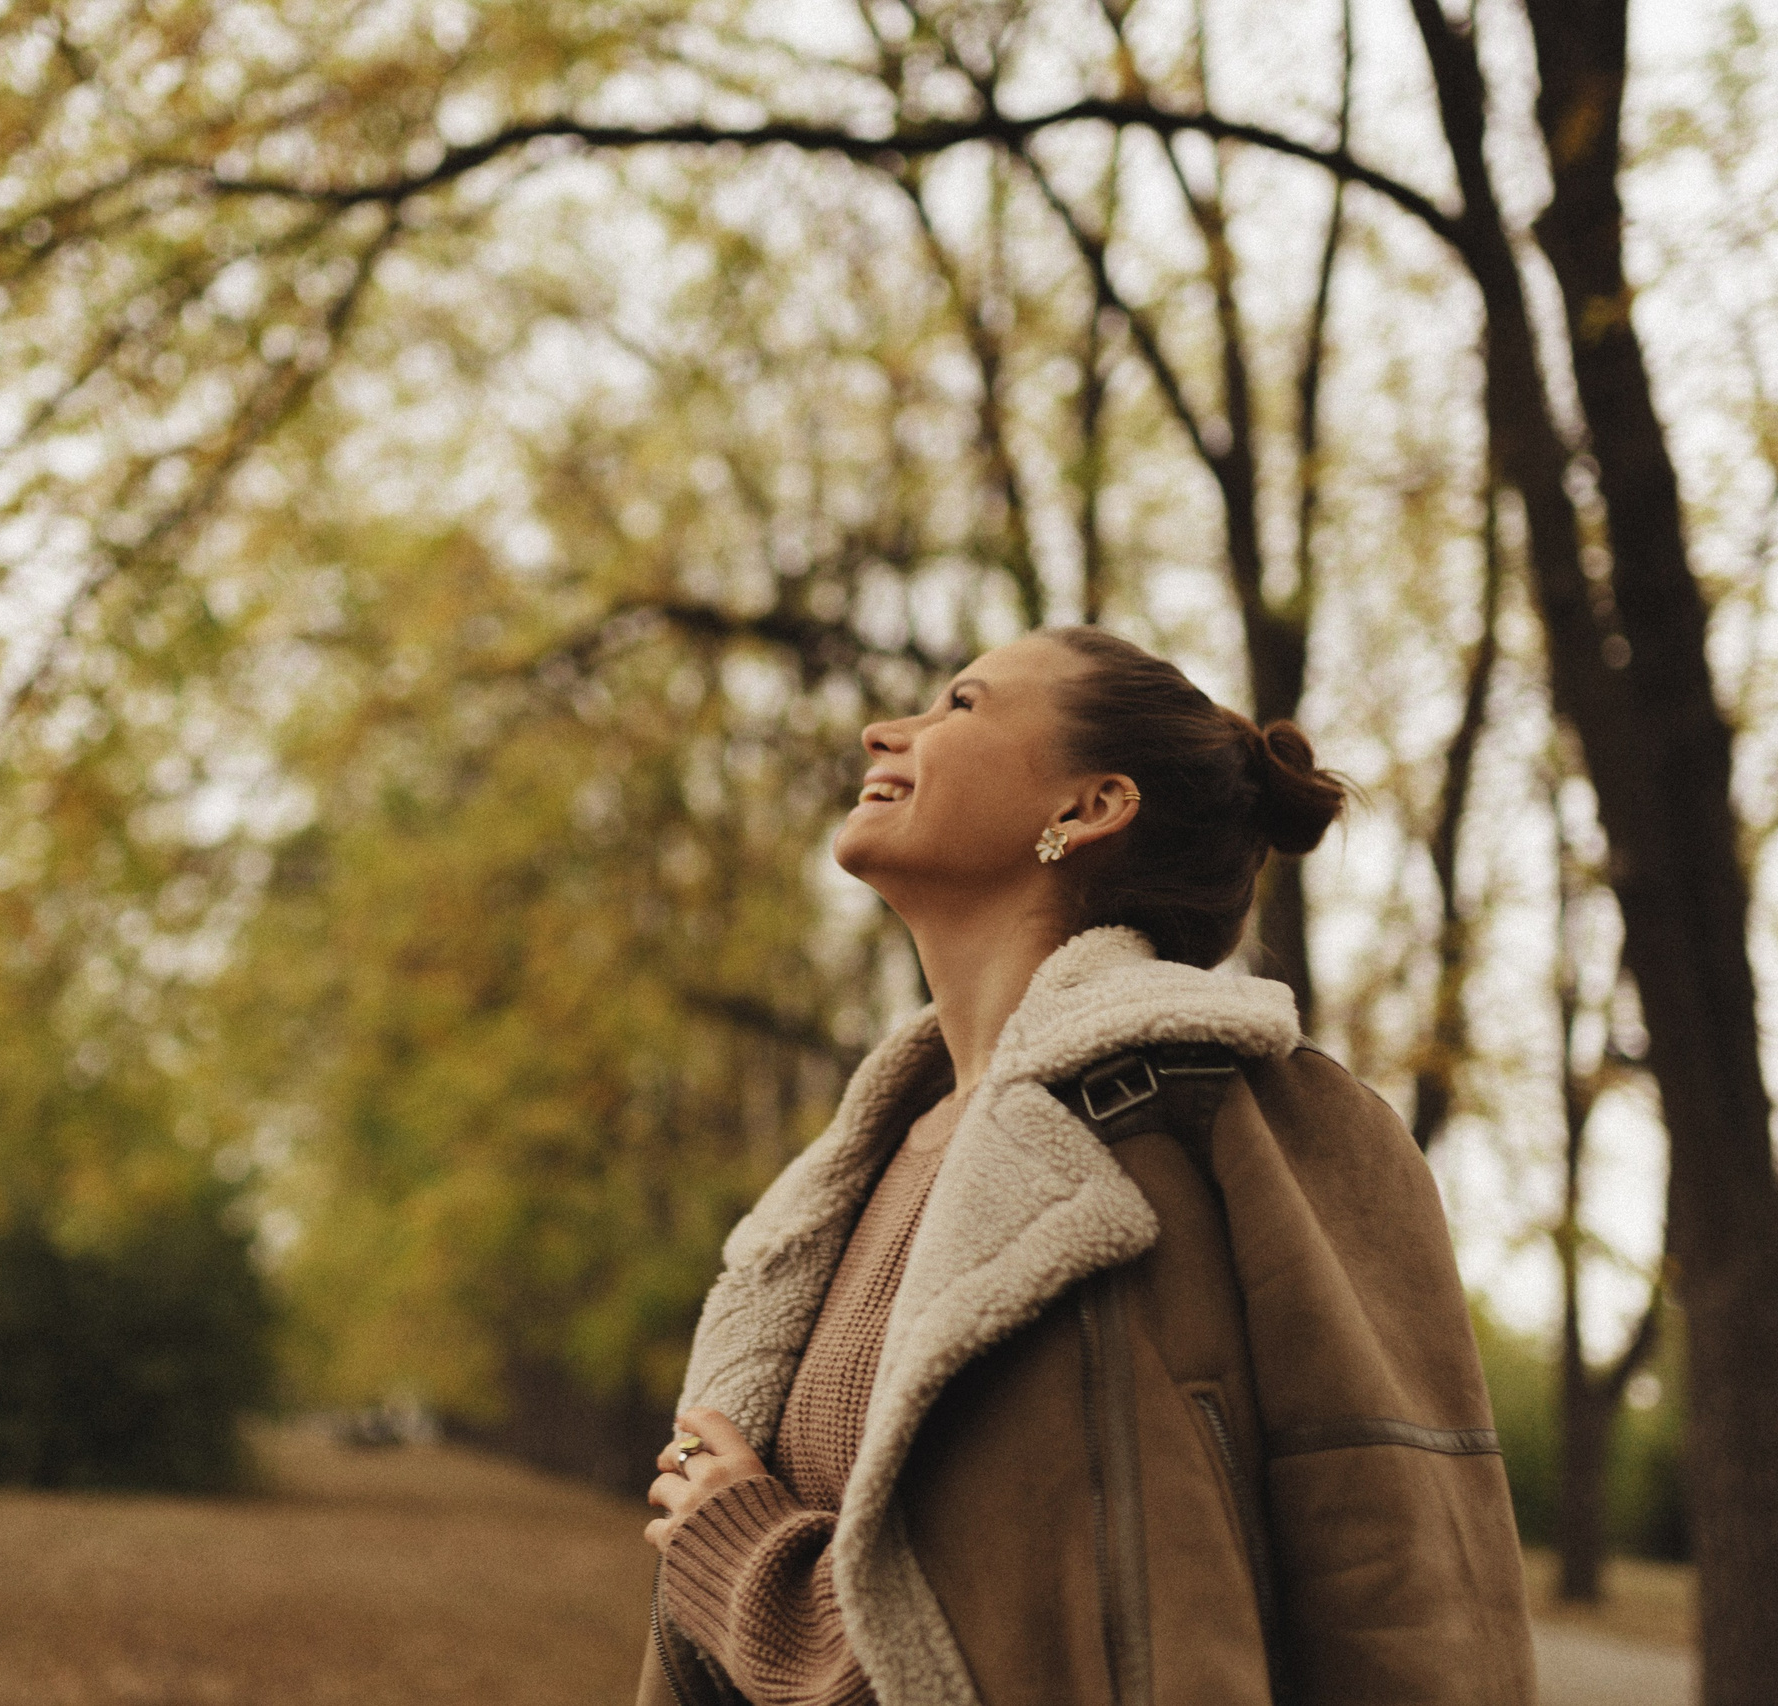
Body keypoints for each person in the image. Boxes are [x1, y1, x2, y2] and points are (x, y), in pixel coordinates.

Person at [635, 628, 1532, 1706]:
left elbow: (1408, 1590)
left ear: (1085, 807)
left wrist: (754, 1568)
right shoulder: (837, 1187)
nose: (886, 729)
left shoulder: (1242, 1123)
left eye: (959, 705)